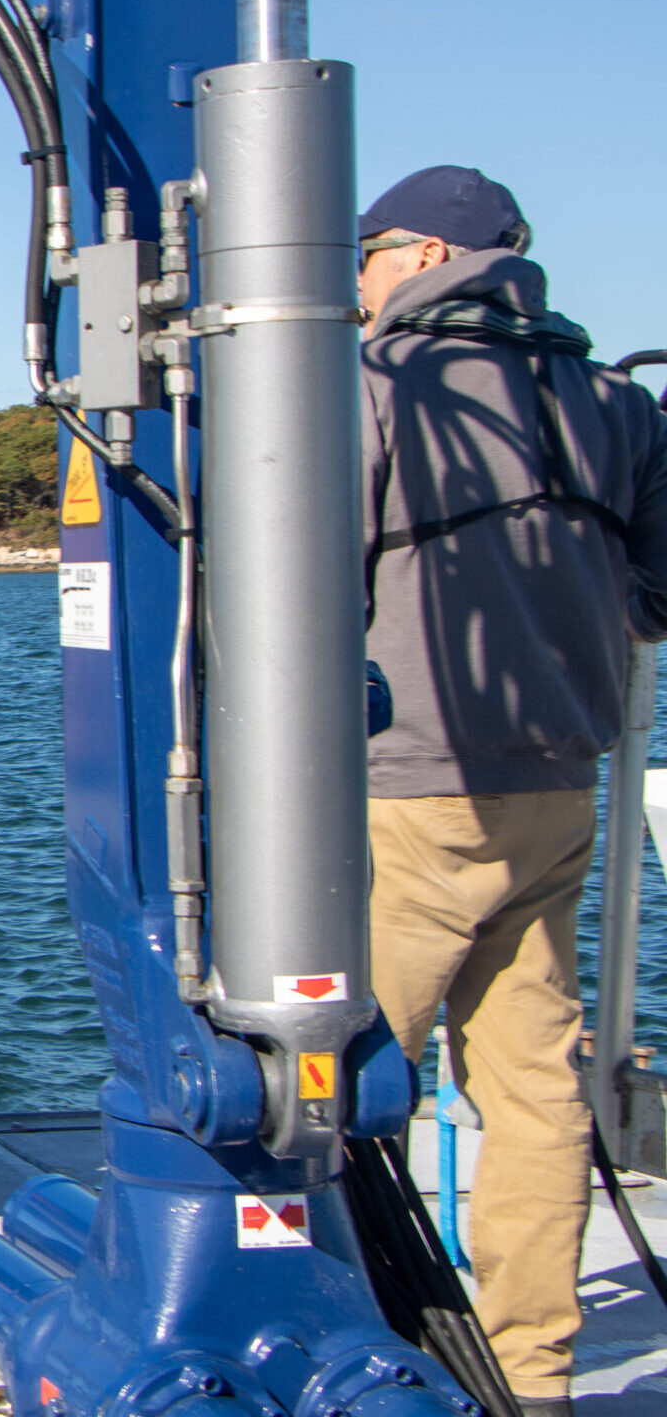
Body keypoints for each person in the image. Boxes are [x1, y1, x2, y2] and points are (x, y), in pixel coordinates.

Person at [358, 166, 667, 1416]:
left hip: (407, 790)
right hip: (559, 785)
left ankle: (357, 1336)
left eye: (368, 252)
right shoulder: (613, 405)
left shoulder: (376, 392)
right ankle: (530, 1370)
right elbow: (657, 591)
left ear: (428, 253)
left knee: (329, 1076)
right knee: (537, 1087)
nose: (355, 278)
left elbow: (285, 581)